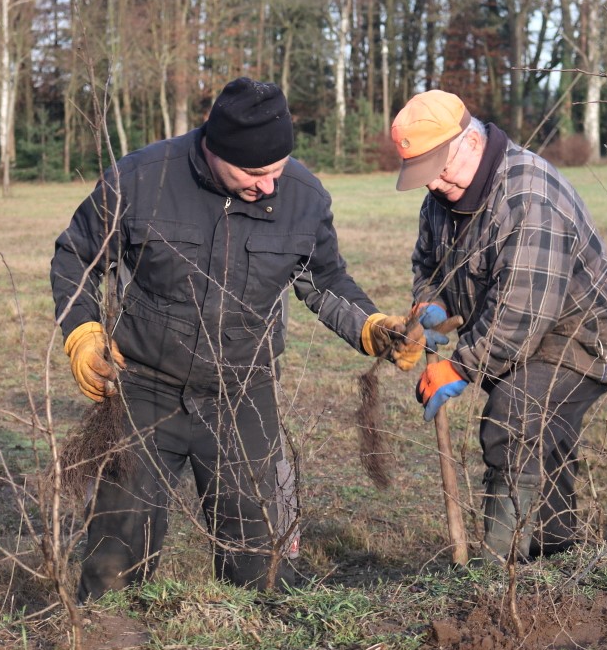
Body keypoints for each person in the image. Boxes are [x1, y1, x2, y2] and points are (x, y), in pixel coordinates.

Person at [52, 77, 422, 600]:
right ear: (213, 146)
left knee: (261, 569)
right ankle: (105, 637)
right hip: (143, 390)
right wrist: (83, 334)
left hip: (244, 393)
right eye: (253, 173)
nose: (268, 186)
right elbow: (76, 256)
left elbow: (323, 280)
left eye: (277, 170)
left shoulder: (304, 197)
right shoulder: (141, 179)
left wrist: (373, 327)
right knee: (113, 563)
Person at [392, 90, 607, 561]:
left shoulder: (527, 198)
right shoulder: (441, 198)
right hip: (523, 335)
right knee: (541, 436)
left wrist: (459, 368)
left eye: (439, 169)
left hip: (584, 337)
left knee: (512, 419)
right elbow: (427, 263)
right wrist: (433, 303)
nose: (434, 184)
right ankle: (554, 550)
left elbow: (519, 317)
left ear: (469, 142)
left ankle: (496, 572)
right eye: (424, 175)